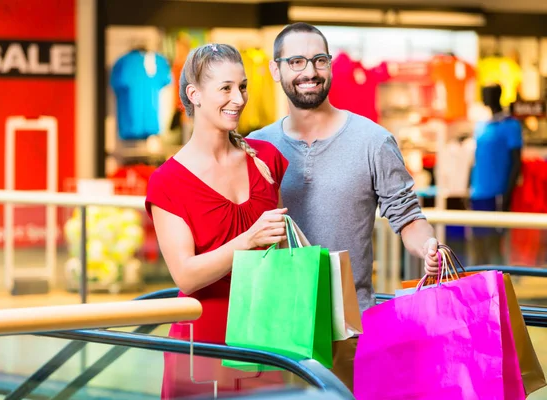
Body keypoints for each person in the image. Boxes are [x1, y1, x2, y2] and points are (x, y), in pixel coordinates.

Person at [248, 22, 440, 391]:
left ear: (331, 66)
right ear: (276, 70)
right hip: (275, 323)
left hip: (347, 328)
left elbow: (408, 217)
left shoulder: (373, 141)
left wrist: (428, 246)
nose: (310, 72)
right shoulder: (258, 145)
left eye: (319, 60)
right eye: (297, 61)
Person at [145, 43, 289, 399]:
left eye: (242, 87)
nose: (238, 99)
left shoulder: (266, 160)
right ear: (194, 94)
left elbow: (282, 246)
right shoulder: (168, 181)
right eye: (225, 88)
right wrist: (248, 240)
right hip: (203, 339)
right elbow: (186, 275)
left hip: (266, 334)